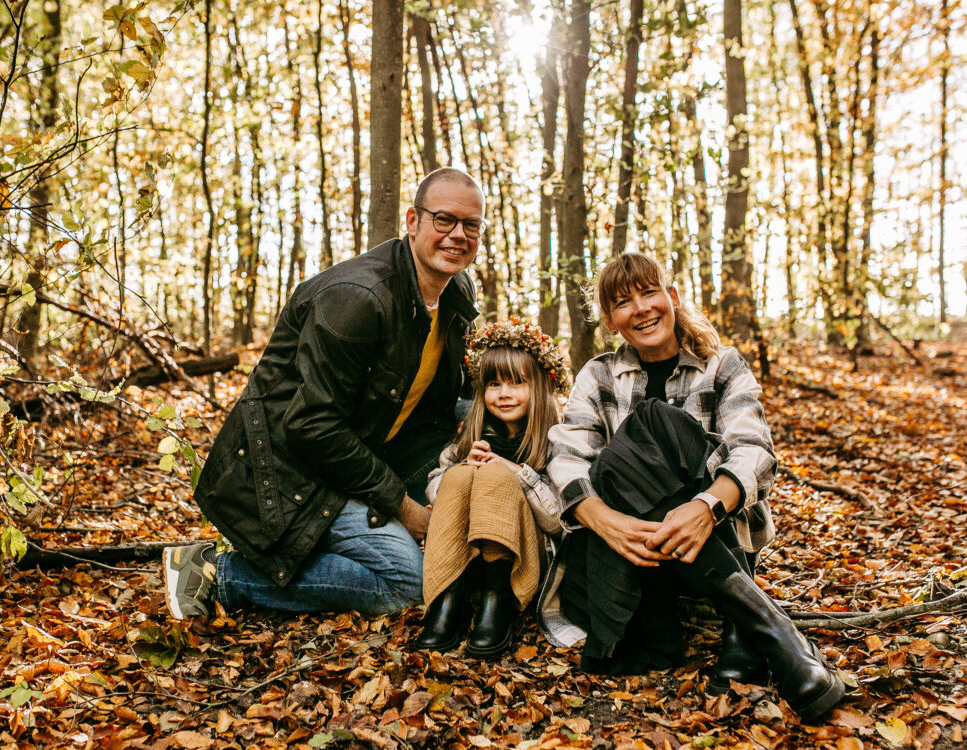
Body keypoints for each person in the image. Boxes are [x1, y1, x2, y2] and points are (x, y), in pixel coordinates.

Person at [162, 167, 485, 620]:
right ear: (413, 221)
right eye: (444, 220)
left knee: (486, 412)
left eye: (471, 225)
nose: (457, 236)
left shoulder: (455, 294)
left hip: (368, 449)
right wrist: (403, 506)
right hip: (291, 476)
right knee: (407, 581)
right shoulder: (359, 298)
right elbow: (310, 425)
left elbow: (448, 399)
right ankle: (218, 573)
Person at [540, 252, 844, 722]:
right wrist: (606, 519)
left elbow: (754, 450)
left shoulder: (721, 366)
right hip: (632, 548)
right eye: (623, 302)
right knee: (640, 437)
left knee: (661, 426)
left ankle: (764, 632)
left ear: (672, 298)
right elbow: (565, 456)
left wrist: (705, 506)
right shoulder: (597, 375)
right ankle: (763, 627)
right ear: (610, 320)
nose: (640, 308)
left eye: (649, 293)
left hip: (715, 532)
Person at [414, 319, 569, 658]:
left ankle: (497, 602)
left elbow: (561, 519)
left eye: (517, 383)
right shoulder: (471, 437)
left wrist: (519, 474)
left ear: (540, 386)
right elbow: (437, 495)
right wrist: (464, 468)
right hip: (467, 561)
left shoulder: (555, 443)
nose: (504, 393)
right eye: (494, 383)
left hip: (524, 562)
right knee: (458, 476)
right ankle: (449, 600)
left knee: (496, 477)